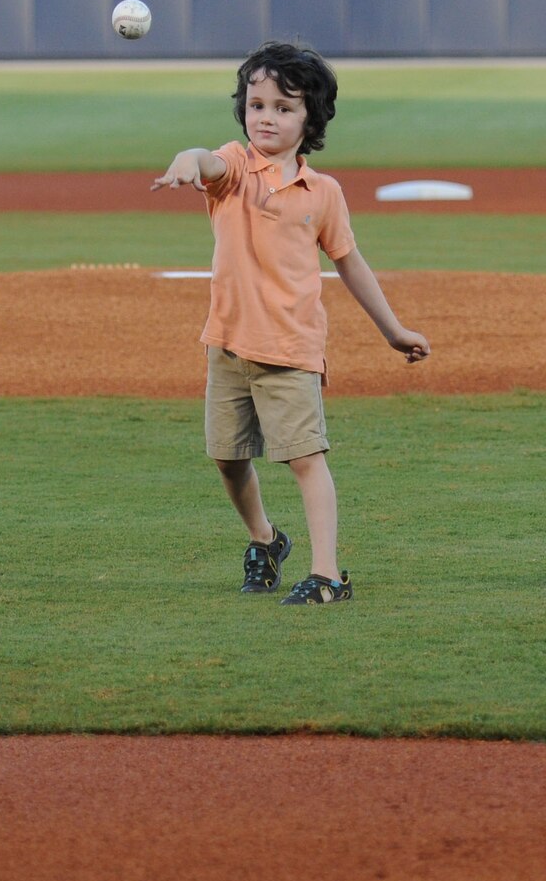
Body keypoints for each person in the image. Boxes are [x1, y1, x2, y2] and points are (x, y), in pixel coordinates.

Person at [153, 40, 431, 605]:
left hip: (290, 348)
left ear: (311, 118)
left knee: (305, 459)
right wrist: (188, 161)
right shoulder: (233, 168)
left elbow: (349, 263)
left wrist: (393, 330)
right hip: (227, 344)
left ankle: (328, 575)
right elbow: (206, 159)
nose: (267, 118)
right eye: (257, 105)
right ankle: (265, 539)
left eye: (284, 107)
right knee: (227, 459)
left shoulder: (322, 193)